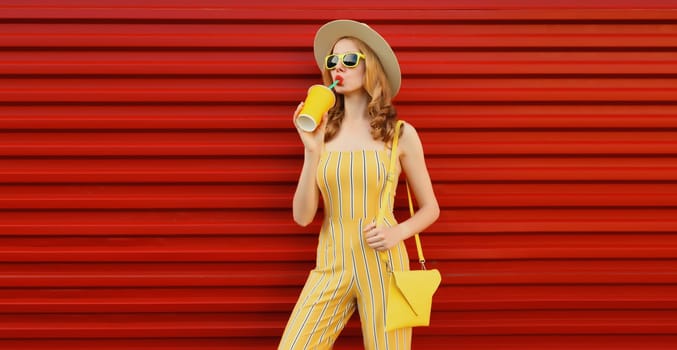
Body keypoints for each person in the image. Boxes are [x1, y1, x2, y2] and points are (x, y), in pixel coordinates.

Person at [279, 19, 440, 350]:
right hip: (331, 265)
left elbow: (431, 208)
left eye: (349, 60)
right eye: (332, 61)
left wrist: (397, 233)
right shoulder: (323, 134)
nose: (339, 67)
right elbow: (302, 217)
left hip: (384, 266)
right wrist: (312, 152)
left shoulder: (401, 134)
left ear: (371, 67)